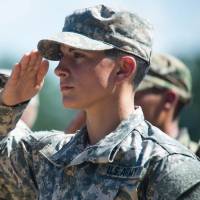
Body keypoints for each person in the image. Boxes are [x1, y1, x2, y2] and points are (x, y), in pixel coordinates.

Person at [0, 4, 200, 200]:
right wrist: (8, 105)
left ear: (123, 69)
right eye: (62, 55)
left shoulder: (167, 167)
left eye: (78, 55)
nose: (59, 69)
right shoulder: (49, 155)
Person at [134, 53, 200, 157]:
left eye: (135, 92)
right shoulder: (119, 154)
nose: (127, 98)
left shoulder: (195, 160)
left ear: (169, 100)